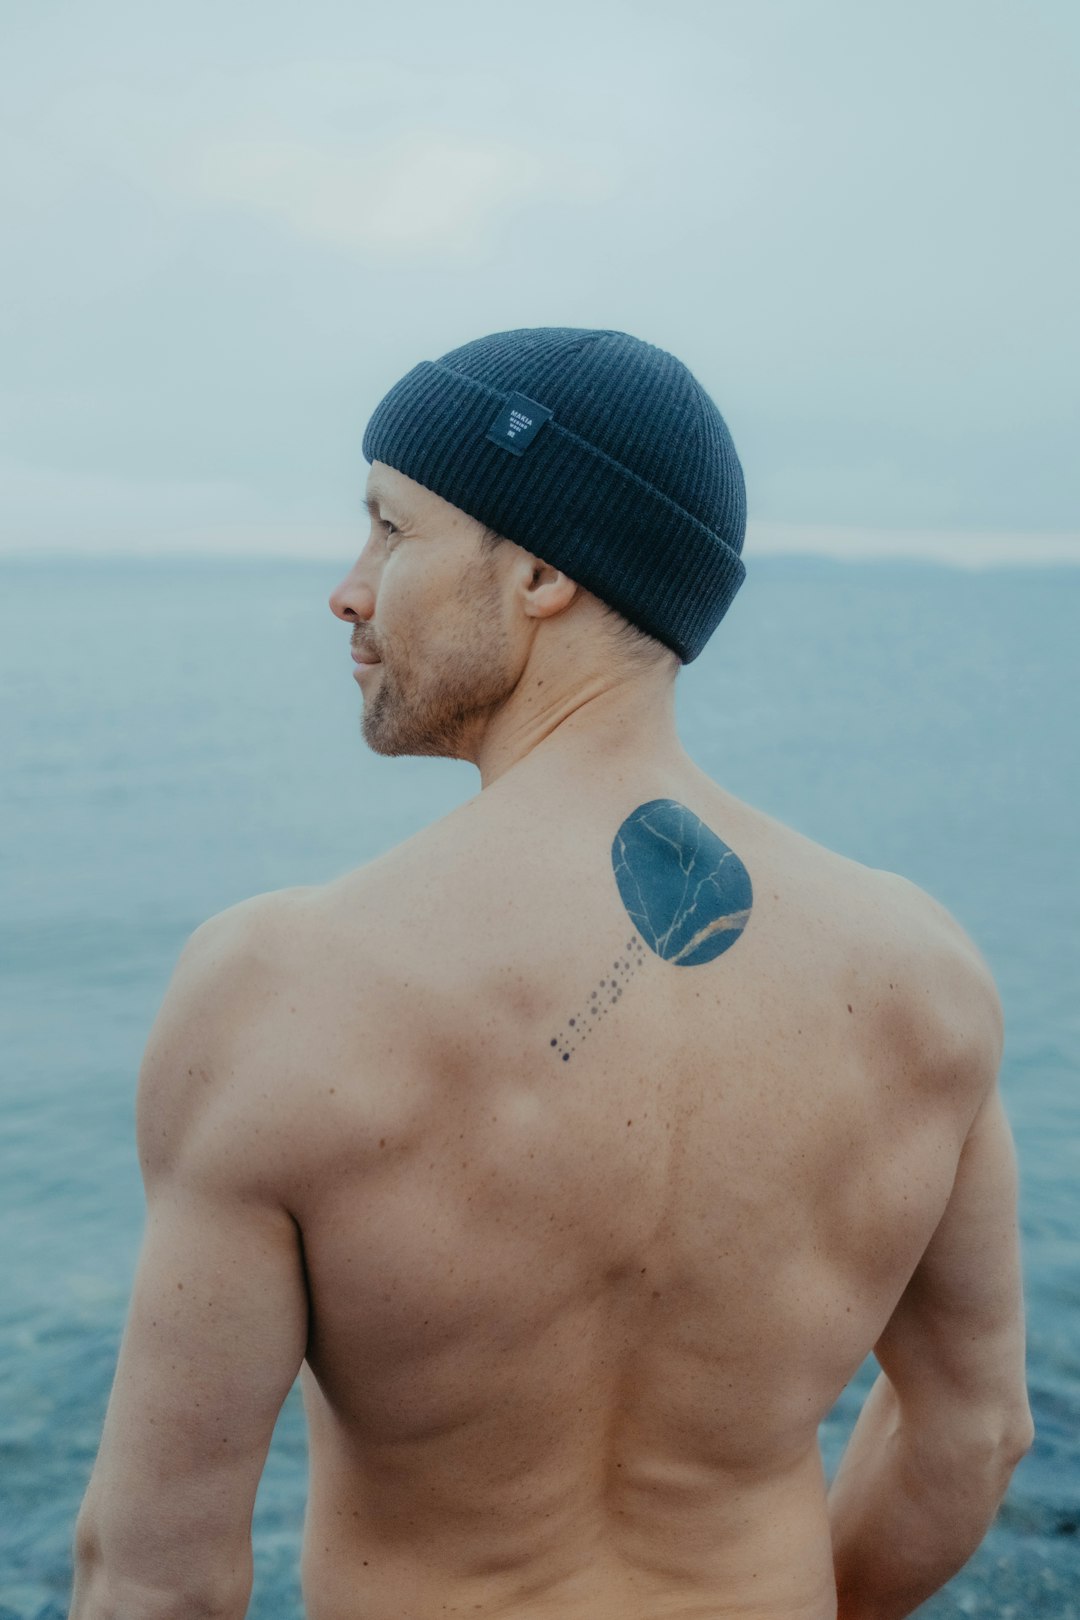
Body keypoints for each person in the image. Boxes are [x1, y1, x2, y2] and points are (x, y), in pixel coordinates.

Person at [68, 327, 1033, 1620]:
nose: (350, 591)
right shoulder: (927, 976)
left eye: (393, 531)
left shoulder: (280, 986)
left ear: (537, 573)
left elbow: (156, 1577)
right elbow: (973, 1439)